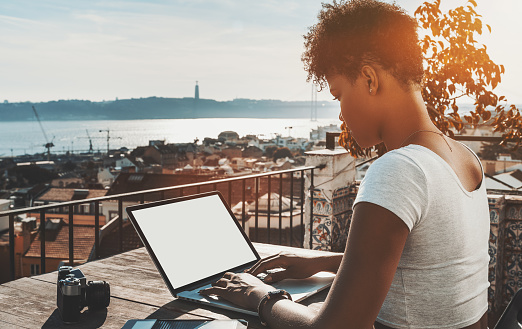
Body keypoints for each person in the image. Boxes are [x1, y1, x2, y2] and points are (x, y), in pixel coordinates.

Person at [200, 0, 490, 328]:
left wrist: (260, 296)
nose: (340, 116)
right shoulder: (466, 159)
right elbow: (426, 263)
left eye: (338, 96)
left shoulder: (400, 169)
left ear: (369, 79)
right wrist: (319, 261)